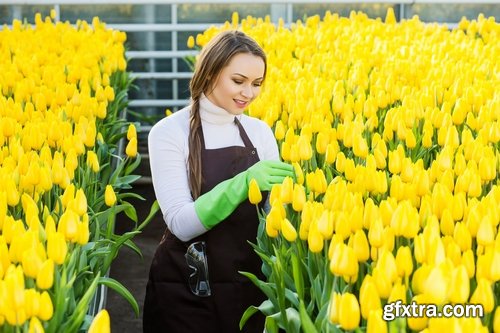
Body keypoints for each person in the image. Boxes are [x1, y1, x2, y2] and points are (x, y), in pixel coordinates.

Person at [143, 30, 294, 333]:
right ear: (210, 73)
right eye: (238, 81)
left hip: (246, 284)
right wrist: (242, 184)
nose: (248, 93)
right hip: (186, 286)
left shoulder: (259, 132)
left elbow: (273, 217)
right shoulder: (169, 133)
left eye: (257, 84)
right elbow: (181, 223)